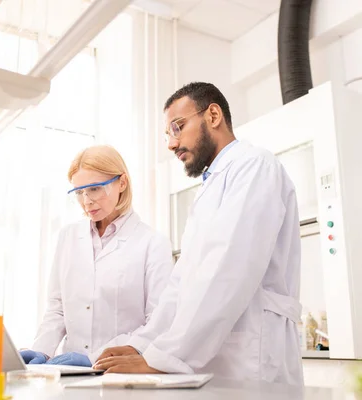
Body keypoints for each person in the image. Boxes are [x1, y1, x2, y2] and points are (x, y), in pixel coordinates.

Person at [94, 82, 303, 385]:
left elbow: (229, 269)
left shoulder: (254, 166)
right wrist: (142, 344)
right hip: (212, 359)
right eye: (168, 134)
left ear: (213, 115)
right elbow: (182, 286)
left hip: (253, 357)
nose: (171, 143)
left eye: (177, 127)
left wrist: (166, 357)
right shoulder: (210, 187)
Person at [20, 145, 173, 367]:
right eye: (79, 192)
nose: (86, 201)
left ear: (122, 182)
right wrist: (42, 350)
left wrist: (94, 358)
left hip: (120, 372)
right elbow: (57, 308)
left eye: (94, 189)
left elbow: (158, 323)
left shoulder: (153, 244)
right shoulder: (68, 237)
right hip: (67, 374)